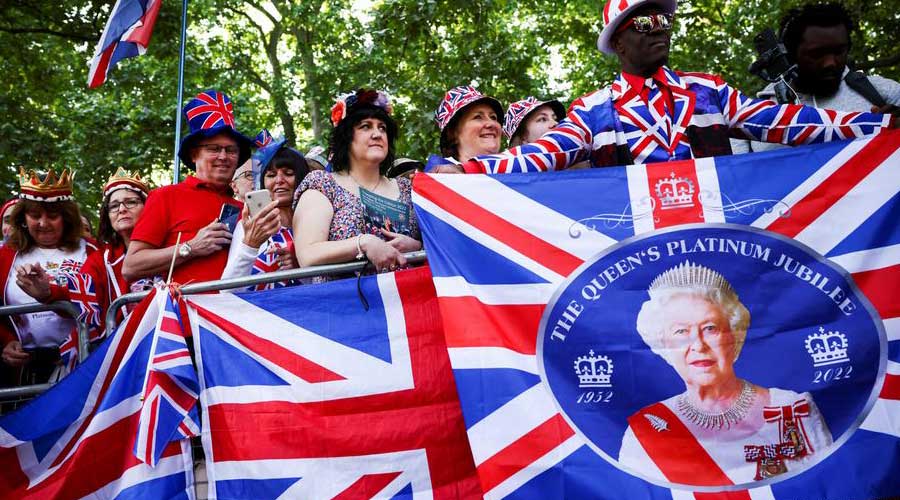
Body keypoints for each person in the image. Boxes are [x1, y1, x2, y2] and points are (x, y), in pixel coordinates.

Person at [445, 0, 895, 174]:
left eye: (664, 19)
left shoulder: (708, 91)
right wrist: (466, 171)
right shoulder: (594, 109)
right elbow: (543, 152)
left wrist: (879, 126)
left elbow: (790, 122)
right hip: (639, 253)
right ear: (618, 40)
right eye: (645, 21)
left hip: (721, 242)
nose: (659, 28)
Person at [618, 261, 832, 485]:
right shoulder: (646, 431)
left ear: (734, 337)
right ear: (664, 346)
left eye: (710, 328)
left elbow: (828, 488)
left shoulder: (793, 411)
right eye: (681, 331)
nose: (698, 345)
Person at [124, 89, 266, 285]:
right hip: (183, 312)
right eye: (214, 149)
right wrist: (190, 247)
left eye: (231, 150)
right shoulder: (166, 196)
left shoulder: (247, 208)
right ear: (193, 155)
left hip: (238, 311)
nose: (223, 156)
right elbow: (131, 267)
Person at [736, 2, 900, 154]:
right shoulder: (750, 117)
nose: (830, 63)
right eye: (816, 54)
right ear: (790, 55)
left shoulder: (883, 92)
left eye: (839, 51)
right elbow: (731, 177)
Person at [293, 89, 421, 280]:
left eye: (382, 128)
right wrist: (364, 243)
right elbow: (307, 255)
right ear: (347, 138)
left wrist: (417, 249)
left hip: (407, 303)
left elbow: (444, 246)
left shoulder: (409, 188)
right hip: (345, 306)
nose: (377, 134)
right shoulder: (323, 184)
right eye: (365, 127)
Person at [16, 168, 152, 344]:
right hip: (125, 350)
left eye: (131, 202)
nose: (122, 209)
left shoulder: (171, 244)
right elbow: (81, 294)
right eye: (114, 205)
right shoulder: (101, 259)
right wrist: (47, 292)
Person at [0, 168, 95, 386]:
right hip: (27, 369)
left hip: (83, 361)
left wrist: (50, 295)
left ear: (67, 218)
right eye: (35, 216)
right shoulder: (5, 257)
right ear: (23, 218)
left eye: (53, 216)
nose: (43, 223)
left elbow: (102, 301)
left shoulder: (92, 251)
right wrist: (6, 342)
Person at [222, 138, 308, 290]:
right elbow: (228, 290)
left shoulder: (315, 221)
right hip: (257, 311)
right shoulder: (250, 224)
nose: (279, 180)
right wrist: (251, 244)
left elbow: (327, 282)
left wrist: (300, 264)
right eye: (271, 175)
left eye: (288, 173)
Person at [426, 86, 504, 171]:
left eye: (493, 117)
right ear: (452, 133)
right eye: (478, 117)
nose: (491, 123)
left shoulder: (518, 171)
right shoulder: (433, 179)